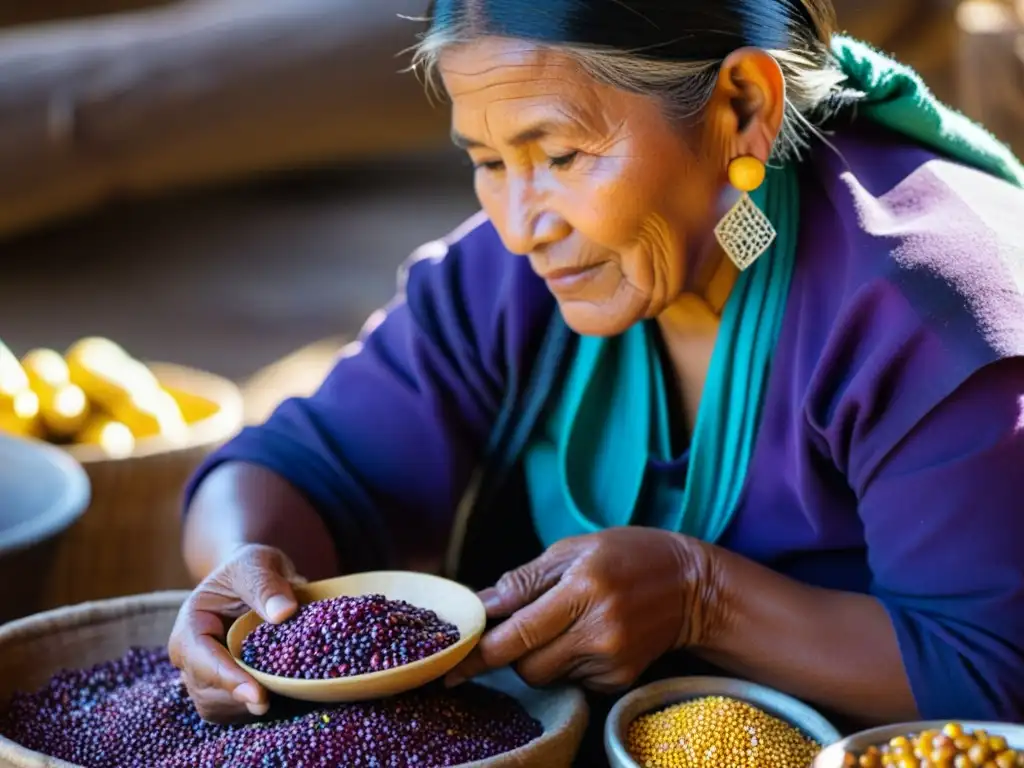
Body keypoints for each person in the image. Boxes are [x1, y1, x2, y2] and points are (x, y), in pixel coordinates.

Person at [168, 0, 1024, 743]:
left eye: (563, 156)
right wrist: (247, 573)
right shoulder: (513, 284)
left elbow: (995, 673)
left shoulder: (924, 310)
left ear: (742, 107)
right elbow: (289, 465)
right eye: (490, 162)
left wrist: (703, 596)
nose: (517, 224)